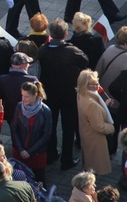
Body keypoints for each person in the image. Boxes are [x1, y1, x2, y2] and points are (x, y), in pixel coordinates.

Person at [38, 18, 89, 170]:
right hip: (69, 95)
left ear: (50, 34)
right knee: (68, 127)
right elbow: (85, 61)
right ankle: (66, 159)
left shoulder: (42, 50)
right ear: (65, 35)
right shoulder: (71, 51)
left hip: (50, 94)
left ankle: (51, 154)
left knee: (51, 124)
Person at [10, 81, 51, 184]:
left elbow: (46, 135)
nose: (23, 99)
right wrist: (21, 149)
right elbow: (14, 129)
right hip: (20, 152)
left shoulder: (45, 111)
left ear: (35, 95)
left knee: (40, 179)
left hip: (37, 154)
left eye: (26, 96)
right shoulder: (19, 106)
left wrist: (30, 152)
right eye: (22, 95)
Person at [77, 70, 115, 175]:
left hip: (86, 134)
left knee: (90, 161)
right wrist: (112, 128)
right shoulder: (91, 104)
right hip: (95, 138)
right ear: (86, 85)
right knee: (95, 165)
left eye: (97, 82)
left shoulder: (81, 93)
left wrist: (104, 106)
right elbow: (100, 127)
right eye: (94, 84)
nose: (98, 85)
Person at [0, 52, 38, 125]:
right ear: (23, 65)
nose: (28, 65)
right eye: (28, 63)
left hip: (11, 114)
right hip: (28, 114)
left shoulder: (2, 79)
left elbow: (1, 97)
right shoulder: (32, 80)